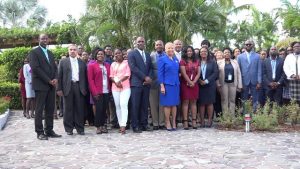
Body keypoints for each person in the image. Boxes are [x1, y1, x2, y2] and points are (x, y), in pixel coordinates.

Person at [29, 33, 61, 140]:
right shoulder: (34, 52)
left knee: (50, 108)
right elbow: (36, 68)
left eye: (46, 38)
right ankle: (39, 132)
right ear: (38, 39)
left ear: (48, 40)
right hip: (41, 85)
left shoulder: (50, 53)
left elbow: (55, 68)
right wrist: (48, 80)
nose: (44, 40)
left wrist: (55, 78)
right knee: (39, 109)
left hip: (51, 85)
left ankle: (49, 130)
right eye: (42, 38)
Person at [57, 44, 87, 135]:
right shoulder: (63, 62)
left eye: (74, 49)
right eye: (71, 50)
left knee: (79, 108)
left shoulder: (82, 62)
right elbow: (59, 76)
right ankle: (69, 129)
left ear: (77, 51)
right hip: (67, 87)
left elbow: (85, 77)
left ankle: (80, 128)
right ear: (68, 51)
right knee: (68, 109)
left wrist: (85, 88)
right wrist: (59, 89)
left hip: (79, 87)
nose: (72, 51)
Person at [128, 36, 153, 133]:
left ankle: (144, 124)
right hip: (136, 83)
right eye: (139, 41)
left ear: (144, 43)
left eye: (142, 41)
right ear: (136, 43)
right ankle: (135, 125)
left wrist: (149, 78)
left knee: (144, 105)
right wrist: (144, 77)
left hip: (146, 84)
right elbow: (133, 67)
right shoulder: (131, 54)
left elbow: (150, 67)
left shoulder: (147, 54)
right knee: (135, 105)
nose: (141, 43)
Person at [87, 48, 111, 134]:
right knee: (99, 109)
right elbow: (90, 80)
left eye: (102, 54)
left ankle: (103, 125)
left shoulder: (107, 65)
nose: (100, 55)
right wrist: (94, 92)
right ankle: (98, 126)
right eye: (98, 54)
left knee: (104, 109)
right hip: (97, 91)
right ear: (96, 56)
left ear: (104, 56)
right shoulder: (91, 65)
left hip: (106, 90)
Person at [158, 42, 180, 131]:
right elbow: (160, 74)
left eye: (172, 48)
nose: (170, 49)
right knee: (167, 105)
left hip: (175, 84)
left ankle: (173, 122)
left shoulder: (175, 59)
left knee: (174, 105)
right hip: (167, 85)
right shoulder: (162, 59)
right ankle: (167, 122)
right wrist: (162, 86)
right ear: (165, 49)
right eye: (168, 48)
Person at [110, 48, 131, 134]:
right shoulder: (113, 64)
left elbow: (127, 74)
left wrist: (120, 81)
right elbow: (111, 76)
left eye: (118, 53)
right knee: (117, 106)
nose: (117, 55)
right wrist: (116, 82)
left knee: (123, 104)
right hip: (115, 88)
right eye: (115, 54)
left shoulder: (126, 63)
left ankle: (123, 125)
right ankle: (120, 124)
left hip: (125, 87)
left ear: (122, 54)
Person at [238, 40, 262, 112]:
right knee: (244, 98)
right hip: (244, 81)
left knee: (255, 98)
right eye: (246, 44)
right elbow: (238, 71)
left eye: (250, 44)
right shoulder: (240, 57)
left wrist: (259, 82)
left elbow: (259, 69)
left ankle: (255, 113)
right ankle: (245, 113)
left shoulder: (257, 56)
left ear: (253, 45)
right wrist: (239, 83)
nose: (248, 45)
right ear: (244, 45)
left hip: (255, 81)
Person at [180, 46, 200, 130]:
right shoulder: (182, 61)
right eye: (187, 51)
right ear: (185, 52)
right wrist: (189, 81)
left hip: (194, 84)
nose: (189, 52)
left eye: (191, 51)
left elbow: (199, 73)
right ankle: (185, 121)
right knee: (185, 102)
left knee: (193, 102)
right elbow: (183, 73)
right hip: (185, 84)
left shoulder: (197, 61)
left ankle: (194, 121)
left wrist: (194, 82)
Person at [216, 48, 242, 114]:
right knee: (224, 100)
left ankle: (232, 117)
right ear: (223, 54)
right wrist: (217, 84)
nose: (227, 54)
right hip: (223, 84)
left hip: (233, 84)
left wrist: (240, 85)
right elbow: (216, 74)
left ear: (231, 54)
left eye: (228, 52)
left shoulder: (235, 62)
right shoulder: (219, 63)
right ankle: (225, 117)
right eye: (225, 52)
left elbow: (239, 74)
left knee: (232, 100)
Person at [198, 47, 218, 128]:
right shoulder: (197, 62)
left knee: (210, 103)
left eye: (205, 51)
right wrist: (199, 80)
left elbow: (215, 73)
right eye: (202, 51)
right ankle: (202, 120)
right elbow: (194, 72)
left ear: (208, 52)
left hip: (210, 85)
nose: (203, 52)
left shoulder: (212, 62)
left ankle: (210, 120)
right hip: (200, 85)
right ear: (199, 53)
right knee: (201, 103)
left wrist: (206, 81)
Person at [149, 40, 165, 130]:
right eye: (157, 44)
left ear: (163, 46)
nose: (159, 46)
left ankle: (162, 123)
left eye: (160, 44)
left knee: (162, 103)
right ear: (155, 47)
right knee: (153, 103)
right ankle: (155, 123)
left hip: (164, 83)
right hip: (153, 82)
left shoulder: (167, 55)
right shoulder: (151, 56)